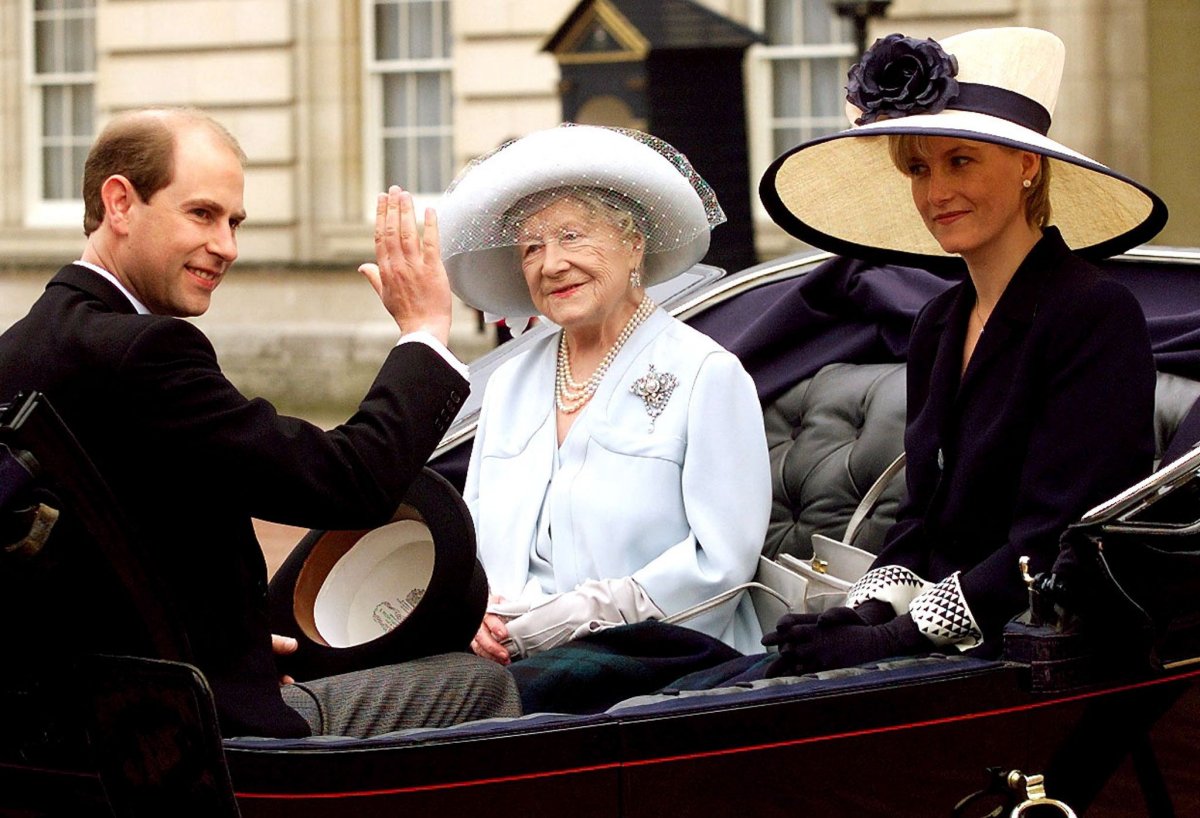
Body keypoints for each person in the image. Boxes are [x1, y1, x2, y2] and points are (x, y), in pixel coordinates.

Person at [0, 108, 519, 738]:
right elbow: (346, 481)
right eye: (202, 214)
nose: (227, 246)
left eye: (234, 222)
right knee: (481, 684)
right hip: (194, 736)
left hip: (68, 722)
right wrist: (425, 333)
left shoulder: (20, 346)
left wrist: (227, 643)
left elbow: (95, 557)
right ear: (120, 202)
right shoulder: (143, 351)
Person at [753, 27, 1166, 675]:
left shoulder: (1092, 313)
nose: (935, 192)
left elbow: (1058, 535)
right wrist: (864, 610)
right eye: (918, 168)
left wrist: (897, 637)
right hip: (936, 645)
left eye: (960, 161)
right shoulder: (939, 322)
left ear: (1028, 165)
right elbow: (925, 516)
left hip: (1034, 652)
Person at [435, 125, 771, 708]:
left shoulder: (705, 374)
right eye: (531, 248)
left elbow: (719, 566)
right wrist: (471, 612)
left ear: (634, 242)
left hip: (660, 664)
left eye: (571, 236)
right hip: (502, 657)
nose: (552, 264)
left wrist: (555, 623)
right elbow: (472, 529)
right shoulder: (511, 381)